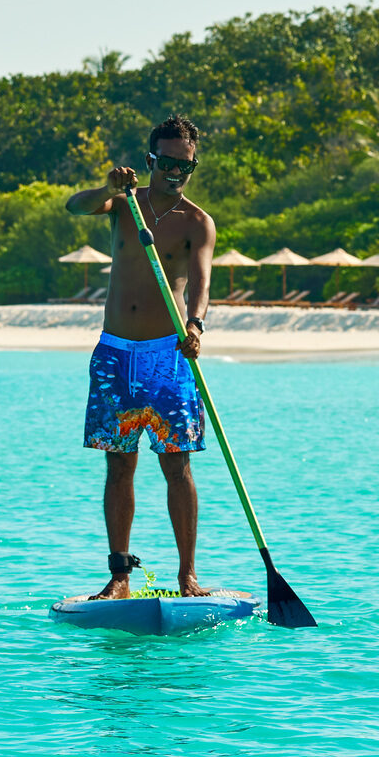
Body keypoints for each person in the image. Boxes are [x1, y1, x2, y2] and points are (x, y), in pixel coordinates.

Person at [65, 116, 216, 599]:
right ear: (151, 160)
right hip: (115, 354)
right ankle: (120, 576)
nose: (175, 172)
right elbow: (76, 206)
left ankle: (187, 576)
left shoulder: (197, 223)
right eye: (166, 162)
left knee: (177, 467)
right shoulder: (125, 204)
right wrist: (107, 186)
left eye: (184, 165)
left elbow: (200, 282)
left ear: (193, 165)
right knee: (120, 466)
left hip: (167, 357)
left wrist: (195, 326)